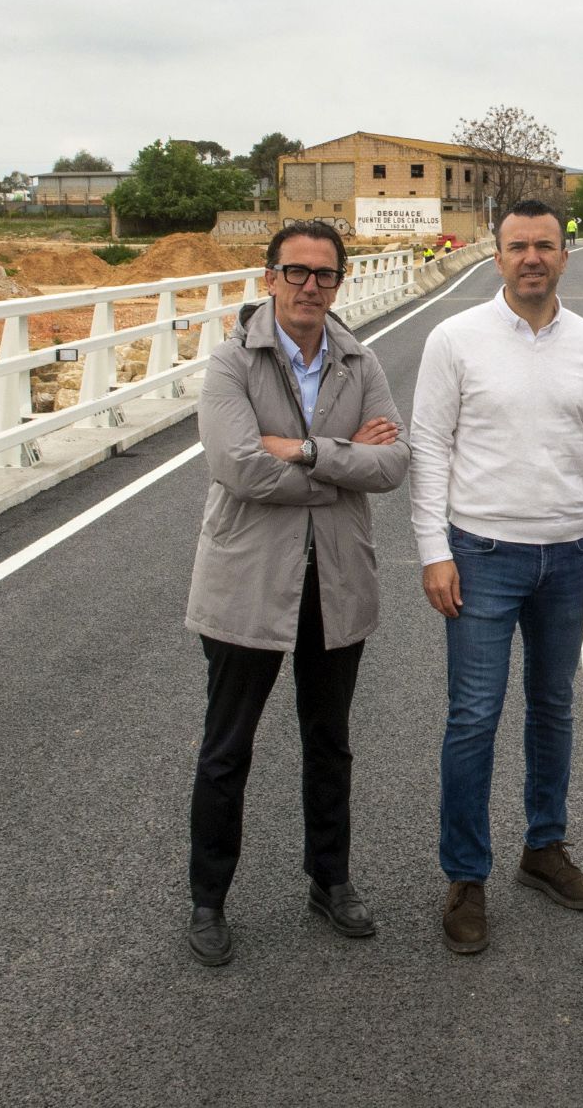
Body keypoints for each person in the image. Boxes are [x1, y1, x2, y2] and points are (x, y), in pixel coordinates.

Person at [182, 219, 411, 967]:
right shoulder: (231, 361)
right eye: (297, 271)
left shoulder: (358, 360)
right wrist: (342, 465)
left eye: (325, 274)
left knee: (330, 741)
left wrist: (306, 450)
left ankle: (330, 879)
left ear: (340, 282)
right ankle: (208, 899)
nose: (311, 286)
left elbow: (394, 464)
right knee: (227, 748)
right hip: (248, 580)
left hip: (335, 578)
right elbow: (238, 465)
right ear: (270, 278)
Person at [411, 198, 583, 955]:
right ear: (496, 254)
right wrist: (433, 550)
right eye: (517, 246)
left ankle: (544, 847)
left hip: (567, 554)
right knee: (474, 717)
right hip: (481, 554)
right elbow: (430, 445)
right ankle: (465, 875)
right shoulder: (455, 339)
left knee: (553, 707)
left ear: (564, 254)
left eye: (545, 245)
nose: (532, 257)